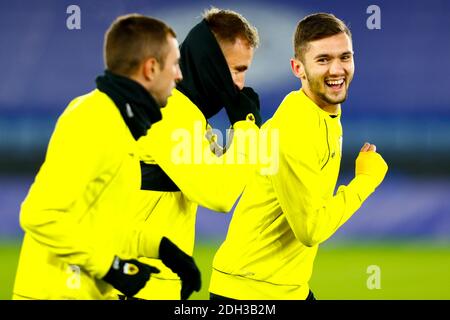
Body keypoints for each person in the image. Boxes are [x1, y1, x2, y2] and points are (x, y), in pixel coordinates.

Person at [12, 14, 200, 300]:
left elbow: (102, 223)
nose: (179, 75)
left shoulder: (121, 121)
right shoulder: (93, 120)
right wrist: (112, 267)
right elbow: (40, 214)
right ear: (150, 68)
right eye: (174, 64)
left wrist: (162, 248)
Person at [209, 13, 388, 300]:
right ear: (298, 68)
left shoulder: (320, 111)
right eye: (323, 60)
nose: (337, 69)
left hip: (283, 288)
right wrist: (365, 181)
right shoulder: (296, 127)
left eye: (344, 57)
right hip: (250, 292)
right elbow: (310, 229)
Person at [130, 7, 263, 300]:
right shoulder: (169, 112)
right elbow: (220, 194)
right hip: (139, 285)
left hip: (152, 282)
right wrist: (247, 126)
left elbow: (226, 177)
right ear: (210, 63)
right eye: (236, 70)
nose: (240, 85)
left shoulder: (186, 113)